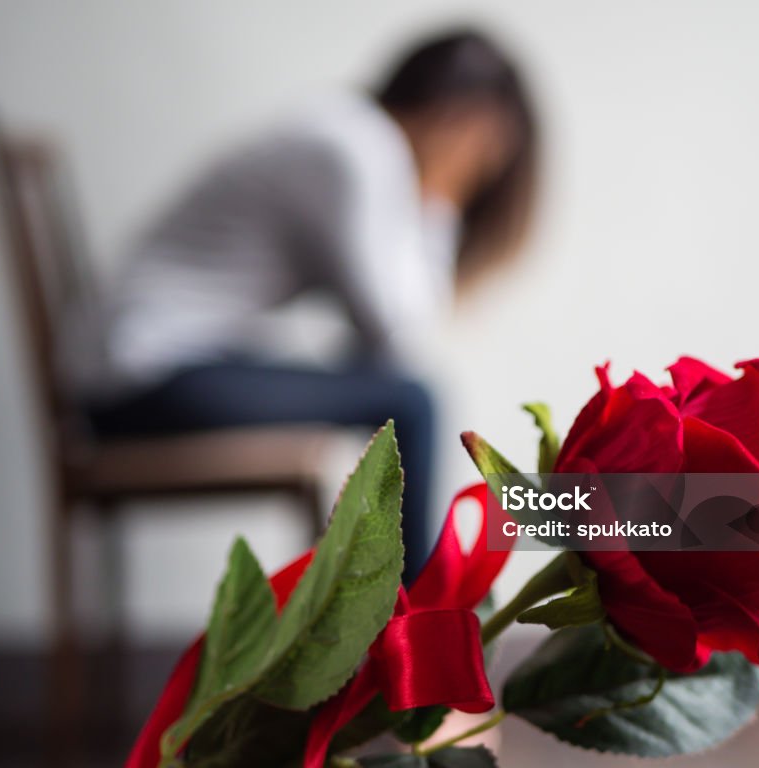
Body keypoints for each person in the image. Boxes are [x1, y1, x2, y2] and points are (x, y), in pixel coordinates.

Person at [71, 28, 539, 582]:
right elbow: (398, 331)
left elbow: (375, 342)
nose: (481, 176)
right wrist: (440, 197)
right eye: (484, 157)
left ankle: (381, 612)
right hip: (142, 376)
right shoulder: (355, 150)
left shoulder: (348, 134)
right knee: (415, 402)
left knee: (389, 389)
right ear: (466, 121)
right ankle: (412, 624)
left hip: (146, 364)